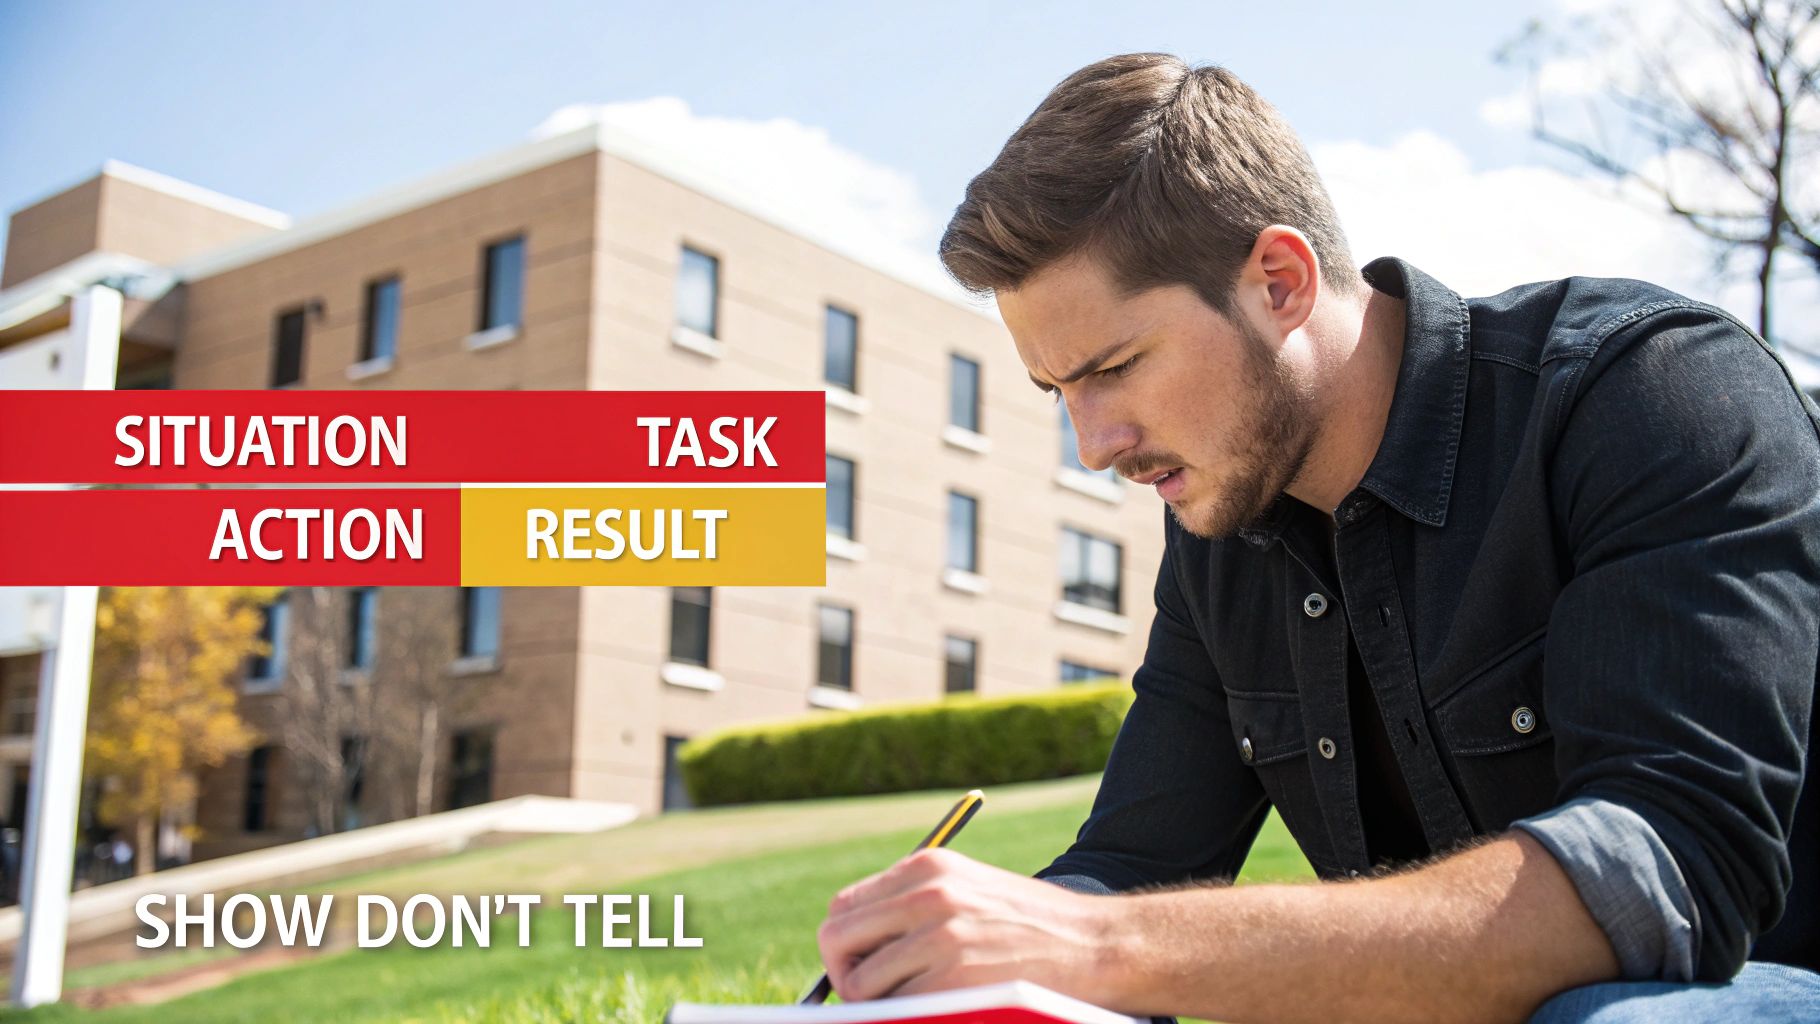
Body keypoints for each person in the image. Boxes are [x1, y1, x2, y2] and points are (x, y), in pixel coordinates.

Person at [814, 53, 1820, 1023]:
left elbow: (1668, 872)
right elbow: (1127, 868)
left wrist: (1097, 944)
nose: (1092, 445)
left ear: (1279, 281)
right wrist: (958, 967)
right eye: (1058, 391)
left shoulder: (1643, 396)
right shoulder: (1218, 536)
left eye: (1113, 366)